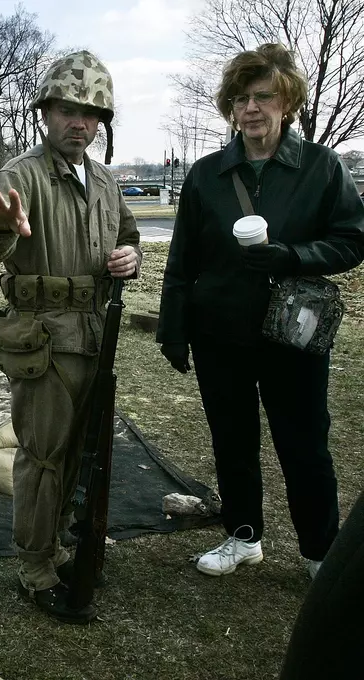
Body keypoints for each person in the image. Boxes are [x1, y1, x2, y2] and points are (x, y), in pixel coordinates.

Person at [156, 44, 364, 579]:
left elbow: (351, 239)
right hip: (219, 331)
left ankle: (320, 553)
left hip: (292, 333)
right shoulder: (206, 174)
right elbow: (182, 259)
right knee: (232, 438)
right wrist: (174, 328)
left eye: (263, 96)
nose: (250, 108)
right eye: (240, 98)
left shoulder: (321, 166)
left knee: (304, 447)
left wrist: (295, 256)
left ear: (287, 101)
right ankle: (244, 535)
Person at [0, 50, 141, 622]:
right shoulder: (21, 175)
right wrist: (1, 230)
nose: (79, 123)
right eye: (68, 110)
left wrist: (130, 257)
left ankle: (63, 543)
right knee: (42, 457)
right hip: (42, 340)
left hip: (94, 336)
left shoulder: (107, 182)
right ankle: (35, 567)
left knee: (83, 453)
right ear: (47, 113)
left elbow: (131, 237)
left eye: (91, 114)